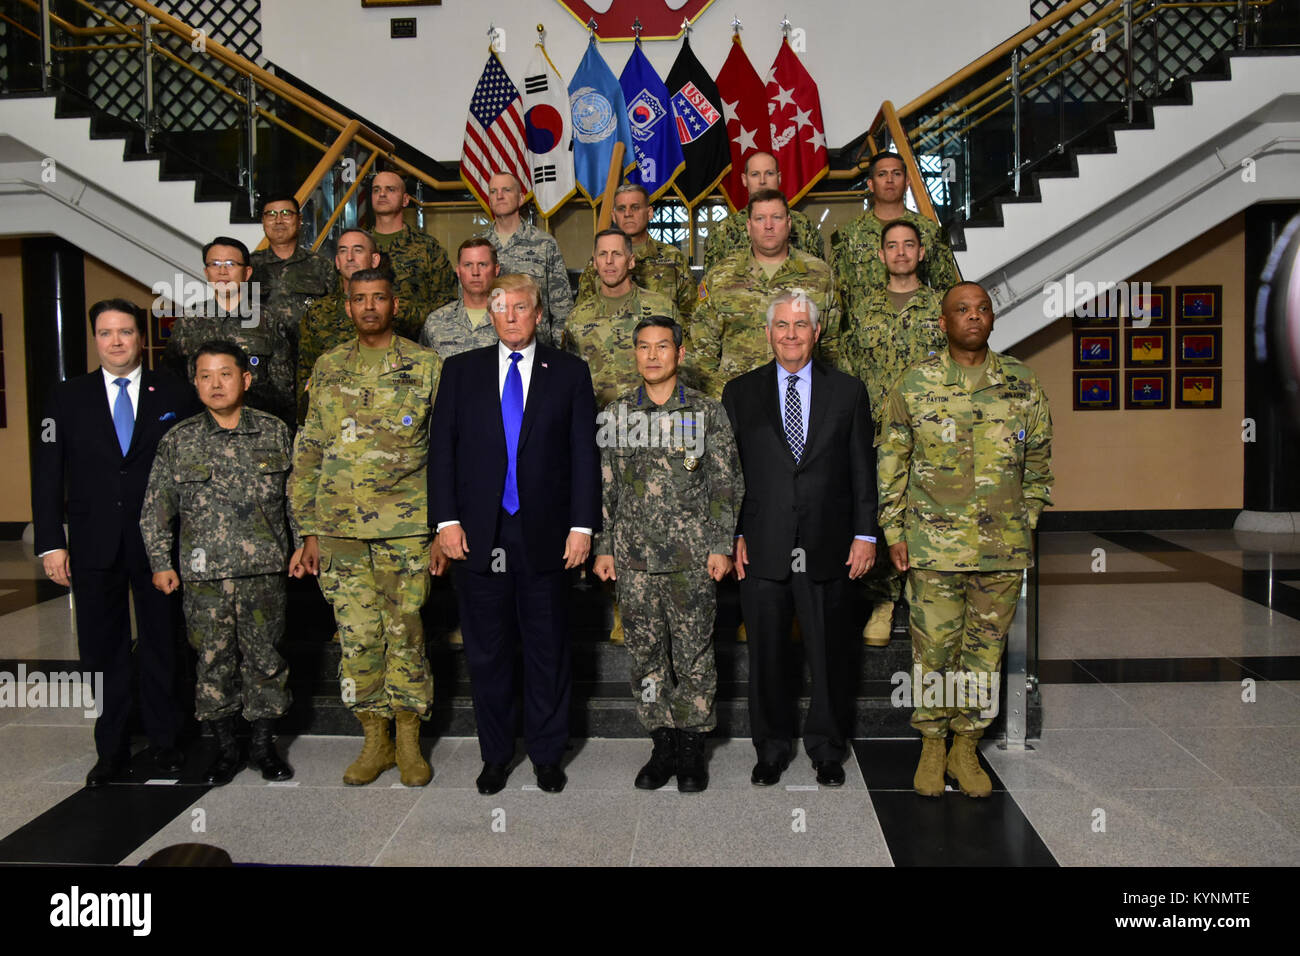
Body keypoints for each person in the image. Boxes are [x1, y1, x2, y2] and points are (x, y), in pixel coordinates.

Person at [876, 281, 1053, 798]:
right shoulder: (915, 384)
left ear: (992, 319)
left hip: (1002, 548)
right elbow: (891, 463)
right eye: (962, 309)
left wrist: (1026, 519)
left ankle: (967, 746)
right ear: (943, 322)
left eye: (982, 309)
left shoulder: (1021, 382)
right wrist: (894, 531)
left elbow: (1039, 461)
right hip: (934, 548)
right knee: (934, 651)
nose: (973, 316)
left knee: (984, 650)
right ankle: (933, 745)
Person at [430, 273, 600, 796]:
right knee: (488, 653)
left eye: (521, 307)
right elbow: (442, 451)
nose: (510, 316)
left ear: (538, 314)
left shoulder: (569, 372)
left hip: (547, 534)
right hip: (478, 535)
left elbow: (584, 454)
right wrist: (445, 522)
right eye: (501, 307)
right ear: (491, 314)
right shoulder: (460, 371)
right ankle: (496, 755)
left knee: (548, 650)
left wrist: (582, 526)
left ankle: (547, 755)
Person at [289, 268, 444, 788]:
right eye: (360, 299)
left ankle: (409, 739)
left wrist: (442, 528)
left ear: (395, 305)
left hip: (406, 527)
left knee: (406, 633)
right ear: (348, 306)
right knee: (357, 638)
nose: (370, 307)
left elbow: (446, 451)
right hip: (339, 529)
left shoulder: (426, 365)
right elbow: (309, 449)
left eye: (379, 298)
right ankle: (374, 739)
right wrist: (308, 531)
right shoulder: (329, 366)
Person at [721, 291, 877, 787]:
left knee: (829, 654)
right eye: (782, 326)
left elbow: (863, 469)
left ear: (817, 332)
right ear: (768, 333)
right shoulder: (739, 392)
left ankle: (827, 749)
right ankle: (770, 749)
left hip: (829, 543)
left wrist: (865, 534)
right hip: (761, 544)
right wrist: (734, 533)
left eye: (801, 325)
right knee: (767, 655)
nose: (791, 334)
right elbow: (729, 474)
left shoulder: (848, 392)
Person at [33, 299, 190, 787]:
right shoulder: (67, 397)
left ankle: (166, 740)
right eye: (106, 333)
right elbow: (47, 473)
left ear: (141, 337)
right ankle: (112, 748)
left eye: (125, 331)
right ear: (95, 339)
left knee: (163, 641)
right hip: (92, 542)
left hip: (159, 543)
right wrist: (51, 542)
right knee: (102, 650)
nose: (116, 341)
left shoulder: (176, 391)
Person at [593, 316, 742, 792]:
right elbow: (606, 487)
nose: (653, 355)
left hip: (691, 559)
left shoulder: (706, 412)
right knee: (645, 655)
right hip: (633, 560)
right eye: (644, 347)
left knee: (695, 655)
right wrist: (604, 547)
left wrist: (720, 545)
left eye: (662, 346)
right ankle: (662, 743)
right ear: (634, 353)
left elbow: (725, 484)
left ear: (680, 353)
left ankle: (692, 745)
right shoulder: (617, 414)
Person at [139, 341, 296, 784]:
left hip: (263, 572)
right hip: (204, 577)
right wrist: (160, 562)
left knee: (266, 660)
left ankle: (264, 747)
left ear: (245, 379)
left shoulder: (274, 432)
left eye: (225, 374)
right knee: (212, 663)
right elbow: (156, 509)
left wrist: (306, 544)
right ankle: (225, 749)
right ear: (195, 383)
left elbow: (295, 498)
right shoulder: (179, 439)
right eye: (205, 376)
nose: (215, 384)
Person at [840, 220, 945, 646]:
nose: (901, 252)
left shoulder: (941, 307)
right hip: (875, 433)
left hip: (930, 432)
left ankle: (924, 596)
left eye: (909, 245)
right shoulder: (862, 310)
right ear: (881, 255)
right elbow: (847, 369)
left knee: (928, 512)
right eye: (892, 246)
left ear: (922, 253)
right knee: (881, 511)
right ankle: (882, 600)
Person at [691, 188, 840, 397]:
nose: (768, 226)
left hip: (801, 398)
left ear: (788, 223)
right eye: (760, 218)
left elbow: (830, 347)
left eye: (776, 217)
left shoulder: (820, 274)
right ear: (749, 226)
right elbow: (703, 351)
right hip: (738, 399)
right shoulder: (720, 277)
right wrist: (717, 400)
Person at [162, 236, 297, 428]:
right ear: (206, 272)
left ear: (247, 272)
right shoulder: (189, 320)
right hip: (200, 431)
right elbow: (172, 380)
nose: (222, 271)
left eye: (231, 264)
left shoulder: (268, 321)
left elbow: (284, 389)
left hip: (257, 429)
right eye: (215, 264)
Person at [830, 151, 959, 324]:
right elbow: (837, 295)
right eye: (882, 174)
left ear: (907, 183)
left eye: (896, 174)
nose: (889, 180)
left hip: (918, 328)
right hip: (867, 331)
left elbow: (947, 290)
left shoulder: (929, 230)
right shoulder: (848, 235)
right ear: (871, 184)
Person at [564, 228, 678, 406]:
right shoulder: (577, 319)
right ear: (595, 262)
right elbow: (569, 379)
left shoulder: (661, 308)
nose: (609, 261)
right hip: (598, 419)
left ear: (631, 261)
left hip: (652, 417)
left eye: (616, 254)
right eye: (603, 254)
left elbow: (685, 365)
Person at [478, 172, 573, 347]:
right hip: (488, 345)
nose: (499, 196)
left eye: (506, 190)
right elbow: (467, 301)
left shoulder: (544, 243)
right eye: (493, 191)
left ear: (521, 198)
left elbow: (562, 306)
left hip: (537, 347)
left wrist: (558, 351)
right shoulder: (478, 247)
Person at [248, 194, 334, 388]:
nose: (278, 220)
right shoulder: (249, 267)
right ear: (263, 221)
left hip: (311, 367)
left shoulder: (321, 267)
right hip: (262, 371)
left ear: (299, 220)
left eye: (286, 213)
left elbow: (335, 318)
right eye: (271, 214)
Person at [296, 228, 381, 423]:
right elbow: (305, 373)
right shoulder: (318, 312)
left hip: (382, 416)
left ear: (374, 260)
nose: (350, 257)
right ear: (337, 262)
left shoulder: (390, 308)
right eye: (343, 251)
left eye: (358, 250)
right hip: (331, 417)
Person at [575, 184, 695, 319]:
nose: (627, 214)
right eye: (621, 209)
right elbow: (582, 315)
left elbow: (691, 314)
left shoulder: (673, 259)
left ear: (649, 213)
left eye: (635, 207)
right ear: (614, 216)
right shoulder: (599, 263)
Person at [369, 169, 456, 340]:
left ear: (405, 200)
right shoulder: (359, 247)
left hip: (417, 343)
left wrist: (411, 316)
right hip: (366, 341)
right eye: (376, 190)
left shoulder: (427, 247)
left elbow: (447, 300)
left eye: (390, 189)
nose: (382, 194)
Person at [702, 151, 824, 272]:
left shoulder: (804, 226)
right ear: (744, 180)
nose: (762, 181)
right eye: (755, 174)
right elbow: (712, 280)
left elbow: (820, 274)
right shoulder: (722, 232)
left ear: (779, 178)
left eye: (769, 173)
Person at [420, 237, 502, 359]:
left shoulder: (511, 318)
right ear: (458, 271)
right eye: (468, 265)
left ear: (496, 270)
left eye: (482, 264)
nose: (475, 272)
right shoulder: (436, 321)